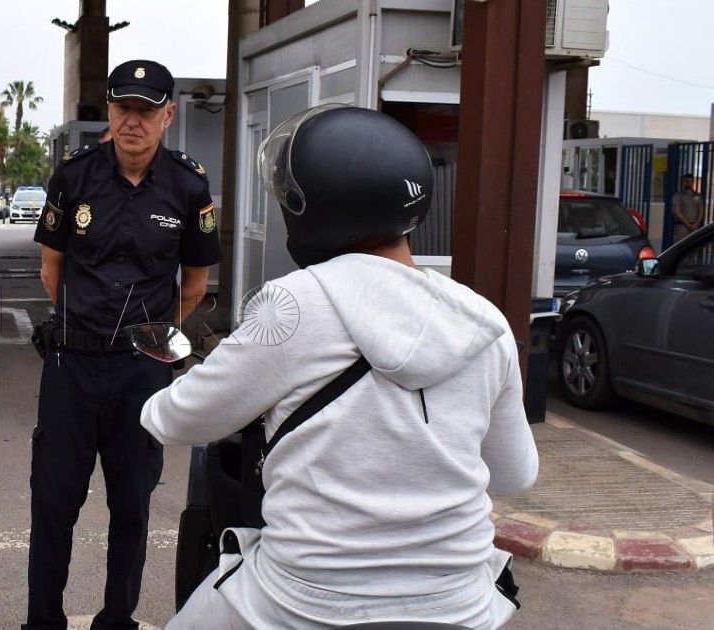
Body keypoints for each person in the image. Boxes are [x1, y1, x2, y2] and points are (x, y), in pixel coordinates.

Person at [140, 105, 539, 629]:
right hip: (459, 605)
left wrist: (160, 396)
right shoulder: (484, 321)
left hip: (305, 602)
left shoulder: (293, 305)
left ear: (313, 210)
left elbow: (177, 420)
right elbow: (515, 473)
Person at [25, 59, 221, 630]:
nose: (132, 120)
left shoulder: (188, 185)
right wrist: (84, 325)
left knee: (132, 505)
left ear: (168, 115)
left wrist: (149, 337)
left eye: (145, 109)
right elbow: (50, 268)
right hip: (71, 366)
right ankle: (43, 621)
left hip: (142, 372)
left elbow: (196, 283)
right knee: (54, 505)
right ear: (109, 113)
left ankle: (118, 619)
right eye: (122, 108)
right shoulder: (75, 176)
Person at [672, 174, 704, 243]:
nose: (689, 183)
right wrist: (688, 225)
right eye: (687, 181)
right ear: (683, 182)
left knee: (693, 246)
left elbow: (701, 212)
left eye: (691, 181)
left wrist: (696, 224)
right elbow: (677, 212)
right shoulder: (679, 195)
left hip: (694, 227)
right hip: (681, 227)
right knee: (680, 246)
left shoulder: (698, 196)